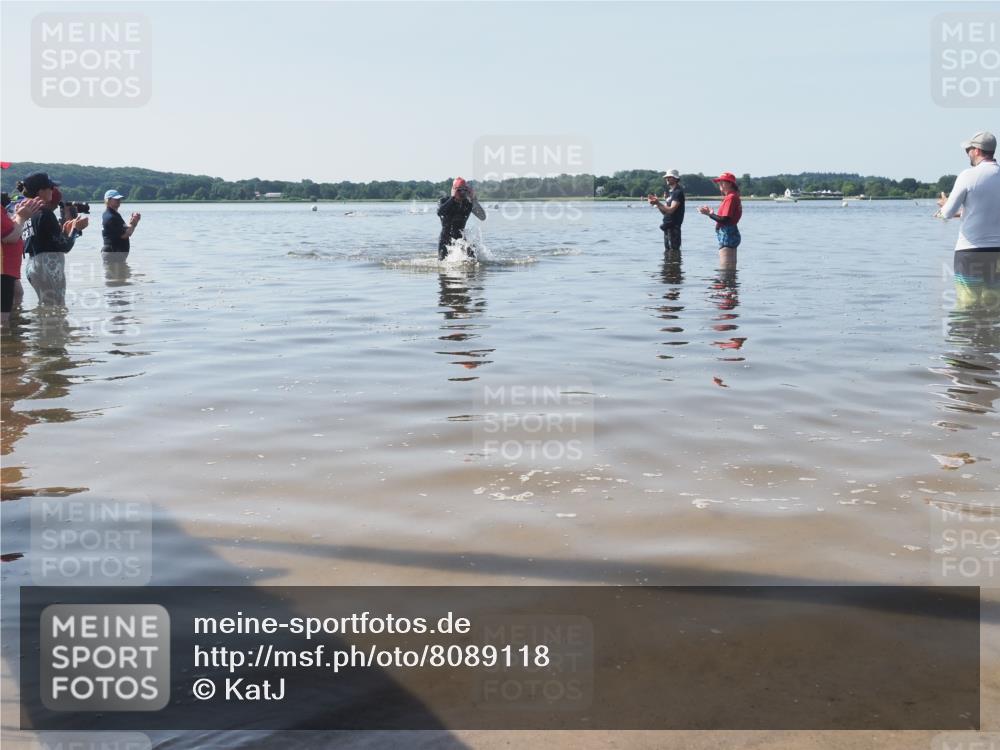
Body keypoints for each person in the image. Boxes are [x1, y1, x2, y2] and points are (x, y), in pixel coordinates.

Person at [18, 172, 88, 307]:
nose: (53, 190)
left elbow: (43, 240)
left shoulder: (26, 212)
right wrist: (76, 229)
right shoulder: (45, 213)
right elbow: (65, 247)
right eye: (50, 187)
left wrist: (66, 231)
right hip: (49, 265)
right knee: (58, 307)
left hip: (31, 265)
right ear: (41, 191)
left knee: (45, 307)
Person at [936, 131, 1000, 252]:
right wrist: (962, 212)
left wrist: (946, 204)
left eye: (968, 150)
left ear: (977, 151)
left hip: (970, 251)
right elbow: (987, 210)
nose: (967, 154)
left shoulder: (967, 175)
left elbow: (947, 213)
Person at [2, 195, 44, 326]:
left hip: (8, 271)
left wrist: (17, 216)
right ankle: (8, 341)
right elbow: (10, 238)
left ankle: (14, 328)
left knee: (17, 295)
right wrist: (22, 218)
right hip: (3, 271)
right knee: (2, 322)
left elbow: (7, 231)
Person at [698, 172, 743, 269]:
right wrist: (711, 213)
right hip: (731, 232)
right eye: (719, 182)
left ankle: (726, 284)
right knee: (730, 268)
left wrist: (709, 214)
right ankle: (730, 284)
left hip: (727, 233)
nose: (720, 184)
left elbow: (725, 219)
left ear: (730, 184)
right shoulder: (733, 196)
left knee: (725, 269)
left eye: (723, 182)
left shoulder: (730, 197)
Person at [437, 177, 485, 260]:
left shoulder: (468, 204)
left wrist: (473, 199)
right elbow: (440, 212)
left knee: (473, 260)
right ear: (453, 190)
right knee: (442, 263)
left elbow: (482, 217)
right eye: (459, 190)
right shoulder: (444, 201)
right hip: (445, 239)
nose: (462, 193)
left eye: (464, 190)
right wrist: (453, 198)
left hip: (460, 239)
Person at [648, 169, 685, 251]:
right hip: (668, 227)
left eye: (670, 177)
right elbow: (666, 213)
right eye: (666, 177)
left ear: (676, 179)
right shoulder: (671, 193)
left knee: (673, 253)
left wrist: (658, 203)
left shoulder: (678, 192)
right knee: (668, 253)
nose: (667, 179)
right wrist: (657, 204)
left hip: (673, 227)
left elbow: (671, 210)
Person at [102, 189, 141, 258]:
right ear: (108, 200)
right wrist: (134, 223)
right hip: (113, 253)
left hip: (114, 253)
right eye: (116, 199)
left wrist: (132, 221)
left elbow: (123, 229)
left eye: (120, 199)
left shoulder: (113, 214)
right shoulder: (111, 217)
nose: (119, 201)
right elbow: (125, 235)